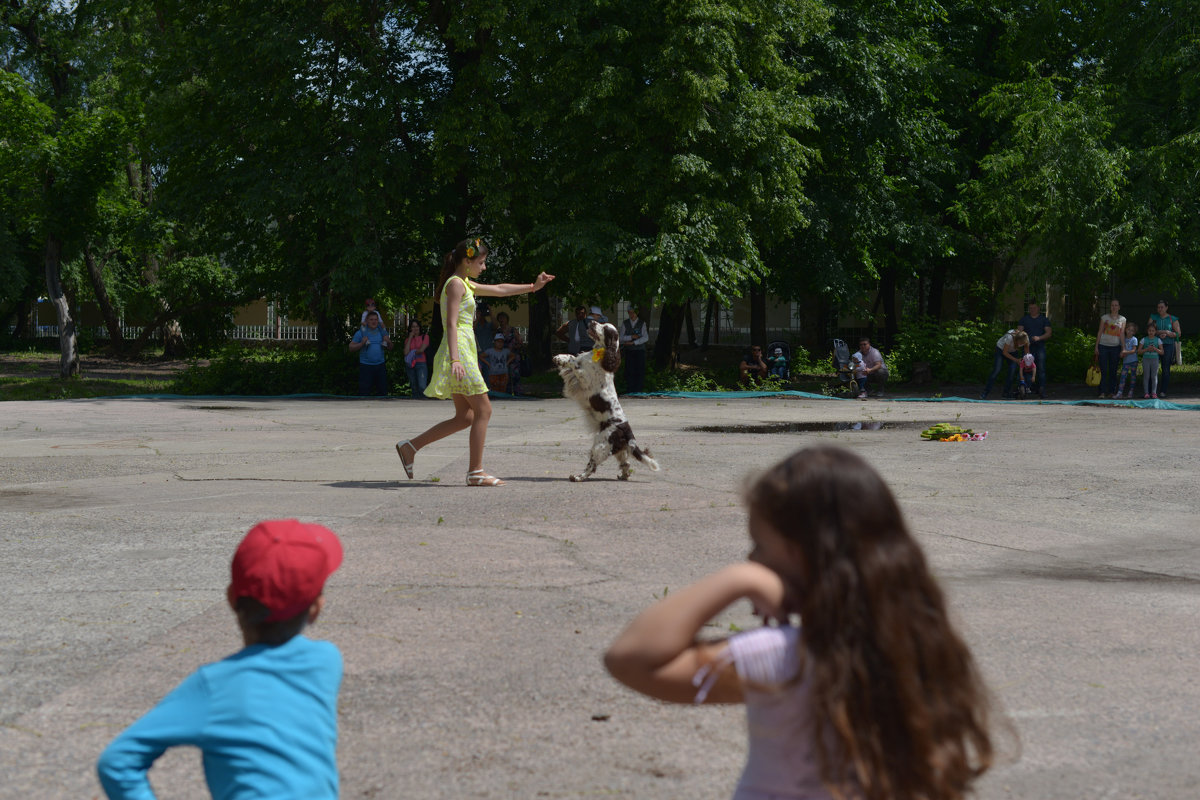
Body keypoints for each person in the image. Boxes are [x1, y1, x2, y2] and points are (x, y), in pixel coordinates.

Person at [604, 446, 997, 800]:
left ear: (806, 554)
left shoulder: (787, 659)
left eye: (759, 544)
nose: (753, 556)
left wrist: (741, 579)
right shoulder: (920, 648)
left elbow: (631, 658)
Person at [98, 519, 344, 800]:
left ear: (230, 598)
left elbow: (117, 762)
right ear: (316, 609)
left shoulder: (213, 686)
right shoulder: (327, 661)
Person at [394, 238, 555, 486]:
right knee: (484, 410)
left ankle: (410, 447)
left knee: (465, 417)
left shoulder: (465, 283)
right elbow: (450, 323)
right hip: (459, 353)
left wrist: (534, 286)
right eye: (481, 262)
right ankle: (476, 472)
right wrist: (456, 359)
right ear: (467, 261)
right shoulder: (456, 285)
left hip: (463, 351)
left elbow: (500, 289)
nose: (484, 267)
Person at [349, 310, 391, 396]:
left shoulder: (382, 332)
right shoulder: (361, 332)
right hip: (366, 366)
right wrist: (361, 343)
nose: (374, 321)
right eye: (371, 319)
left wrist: (389, 342)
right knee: (364, 393)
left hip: (380, 366)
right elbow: (351, 348)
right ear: (367, 321)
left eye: (376, 319)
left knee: (383, 392)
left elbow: (390, 348)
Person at [981, 328, 1028, 400]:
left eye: (1022, 344)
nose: (1021, 345)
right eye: (1020, 343)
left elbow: (1026, 351)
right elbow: (1005, 353)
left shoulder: (1025, 339)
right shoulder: (1009, 337)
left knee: (1012, 371)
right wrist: (1016, 360)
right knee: (997, 370)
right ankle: (985, 393)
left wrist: (1027, 359)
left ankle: (1006, 393)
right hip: (1001, 350)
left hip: (1013, 352)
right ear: (1016, 340)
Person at [1017, 301, 1052, 398]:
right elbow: (1019, 332)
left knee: (1041, 368)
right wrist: (1025, 339)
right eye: (1030, 308)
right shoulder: (1024, 319)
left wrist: (1039, 338)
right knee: (1026, 368)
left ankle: (1041, 389)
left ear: (1038, 309)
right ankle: (1026, 388)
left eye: (1034, 308)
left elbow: (1049, 333)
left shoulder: (1044, 319)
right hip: (1027, 347)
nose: (1032, 310)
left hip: (1040, 347)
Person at [1148, 300, 1181, 399]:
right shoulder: (1153, 317)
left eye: (1162, 307)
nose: (1160, 309)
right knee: (1152, 368)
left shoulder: (1173, 319)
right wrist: (1162, 332)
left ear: (1166, 307)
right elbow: (1149, 330)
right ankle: (1151, 391)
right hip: (1155, 345)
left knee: (1166, 368)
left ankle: (1163, 391)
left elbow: (1178, 333)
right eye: (1158, 307)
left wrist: (1169, 334)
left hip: (1168, 345)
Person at [1094, 299, 1126, 399]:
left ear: (1119, 307)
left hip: (1115, 347)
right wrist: (1096, 346)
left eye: (1116, 305)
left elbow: (1122, 334)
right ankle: (1102, 392)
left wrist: (1123, 348)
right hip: (1103, 345)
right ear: (1110, 307)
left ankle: (1112, 391)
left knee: (1113, 370)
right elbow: (1099, 332)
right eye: (1112, 305)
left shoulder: (1123, 319)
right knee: (1103, 370)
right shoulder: (1104, 318)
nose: (1114, 307)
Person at [620, 305, 650, 393]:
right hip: (629, 351)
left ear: (636, 313)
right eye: (630, 312)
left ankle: (638, 390)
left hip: (640, 350)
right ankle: (630, 390)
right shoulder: (625, 323)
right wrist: (631, 337)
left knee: (639, 370)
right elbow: (621, 338)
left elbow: (646, 338)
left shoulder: (642, 323)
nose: (632, 314)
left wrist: (634, 342)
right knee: (629, 370)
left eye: (633, 312)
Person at [495, 311, 525, 396]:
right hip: (502, 356)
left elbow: (520, 342)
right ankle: (507, 392)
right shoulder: (498, 331)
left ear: (507, 319)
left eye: (503, 318)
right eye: (500, 318)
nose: (501, 320)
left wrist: (515, 346)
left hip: (514, 355)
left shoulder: (512, 330)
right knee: (505, 374)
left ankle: (518, 392)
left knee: (515, 374)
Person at [404, 319, 430, 399]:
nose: (415, 329)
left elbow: (421, 350)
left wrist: (412, 352)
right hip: (410, 364)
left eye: (417, 326)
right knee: (413, 385)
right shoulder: (408, 339)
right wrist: (410, 337)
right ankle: (415, 404)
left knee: (422, 386)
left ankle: (424, 401)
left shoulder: (425, 337)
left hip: (421, 363)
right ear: (410, 329)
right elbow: (406, 352)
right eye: (413, 327)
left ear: (419, 327)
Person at [1139, 320, 1164, 399]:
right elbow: (1139, 351)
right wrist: (1146, 349)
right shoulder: (1143, 339)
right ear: (1147, 331)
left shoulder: (1158, 340)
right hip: (1146, 360)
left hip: (1155, 360)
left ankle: (1154, 393)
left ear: (1155, 331)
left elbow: (1162, 352)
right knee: (1146, 376)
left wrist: (1155, 349)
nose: (1151, 332)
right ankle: (1146, 393)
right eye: (1149, 330)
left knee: (1154, 376)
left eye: (1153, 331)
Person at [1116, 321, 1139, 399]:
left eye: (1132, 330)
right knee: (1123, 376)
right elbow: (1121, 351)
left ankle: (1131, 391)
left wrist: (1125, 352)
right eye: (1128, 329)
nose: (1130, 332)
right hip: (1126, 362)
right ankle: (1120, 392)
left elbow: (1133, 350)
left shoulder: (1134, 339)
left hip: (1133, 361)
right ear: (1125, 330)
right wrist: (1121, 354)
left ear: (1134, 332)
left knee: (1133, 376)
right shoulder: (1123, 339)